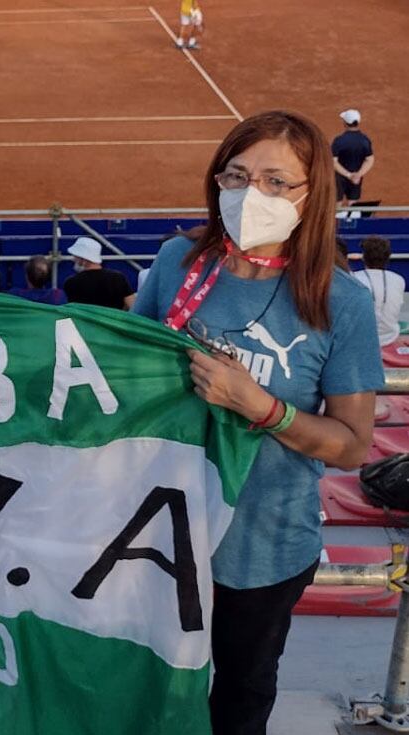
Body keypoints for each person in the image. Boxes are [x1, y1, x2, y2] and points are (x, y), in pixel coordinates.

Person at [132, 110, 383, 735]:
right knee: (151, 679)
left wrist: (261, 405)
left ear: (312, 192)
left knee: (242, 691)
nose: (251, 195)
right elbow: (123, 370)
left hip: (262, 548)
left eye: (276, 181)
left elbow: (351, 448)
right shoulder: (175, 263)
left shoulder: (340, 300)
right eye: (237, 176)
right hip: (155, 537)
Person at [353, 236, 404, 346]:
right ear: (388, 258)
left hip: (360, 340)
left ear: (363, 257)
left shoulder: (353, 278)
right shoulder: (399, 280)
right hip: (391, 337)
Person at [62, 236, 135, 309]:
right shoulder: (118, 278)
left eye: (75, 257)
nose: (73, 260)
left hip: (85, 320)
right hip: (114, 320)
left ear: (83, 259)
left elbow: (70, 312)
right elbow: (133, 306)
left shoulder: (72, 283)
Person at [332, 109, 375, 207]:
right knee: (353, 204)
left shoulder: (339, 141)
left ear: (345, 123)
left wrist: (348, 175)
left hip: (339, 178)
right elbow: (369, 159)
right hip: (356, 179)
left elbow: (333, 162)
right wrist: (358, 175)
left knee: (337, 204)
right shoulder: (364, 140)